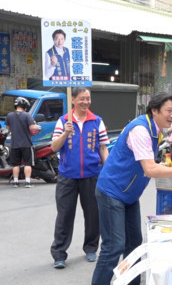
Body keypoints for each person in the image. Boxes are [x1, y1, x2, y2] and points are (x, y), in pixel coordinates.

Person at [92, 93, 172, 285]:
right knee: (113, 246)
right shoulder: (141, 129)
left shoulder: (155, 130)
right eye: (169, 111)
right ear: (154, 110)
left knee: (134, 244)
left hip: (129, 194)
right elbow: (149, 169)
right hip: (112, 192)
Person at [50, 87, 109, 269]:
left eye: (88, 98)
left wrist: (107, 171)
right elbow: (54, 147)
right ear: (73, 100)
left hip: (92, 176)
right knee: (64, 216)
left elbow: (103, 148)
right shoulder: (63, 121)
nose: (85, 102)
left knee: (93, 215)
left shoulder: (97, 121)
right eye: (82, 98)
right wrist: (66, 133)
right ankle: (59, 254)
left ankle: (91, 248)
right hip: (67, 176)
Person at [5, 96, 39, 188]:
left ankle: (15, 182)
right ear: (24, 106)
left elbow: (8, 128)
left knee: (15, 164)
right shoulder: (27, 115)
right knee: (28, 163)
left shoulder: (9, 115)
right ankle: (27, 182)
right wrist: (37, 126)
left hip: (14, 144)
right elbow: (33, 127)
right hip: (26, 143)